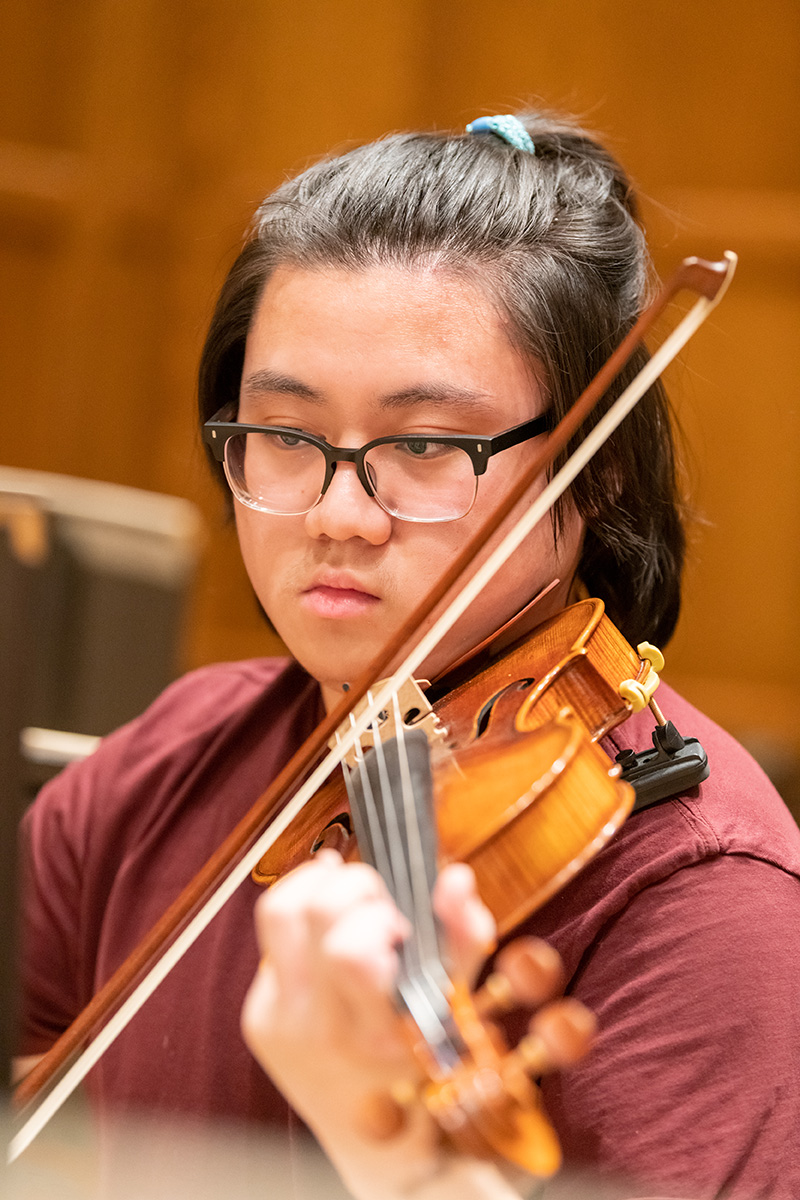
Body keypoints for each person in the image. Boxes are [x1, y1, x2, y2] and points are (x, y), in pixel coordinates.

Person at [17, 110, 800, 1199]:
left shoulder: (696, 899)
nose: (339, 512)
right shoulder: (167, 762)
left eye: (426, 444)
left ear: (600, 465)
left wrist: (398, 1154)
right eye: (286, 436)